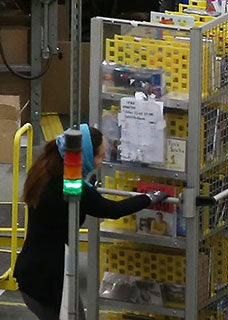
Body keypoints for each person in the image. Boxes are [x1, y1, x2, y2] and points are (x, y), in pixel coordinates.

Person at [14, 127, 165, 320]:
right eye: (99, 157)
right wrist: (150, 198)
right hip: (49, 282)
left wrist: (89, 189)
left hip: (32, 273)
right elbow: (113, 210)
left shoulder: (45, 168)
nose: (101, 162)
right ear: (83, 155)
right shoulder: (73, 189)